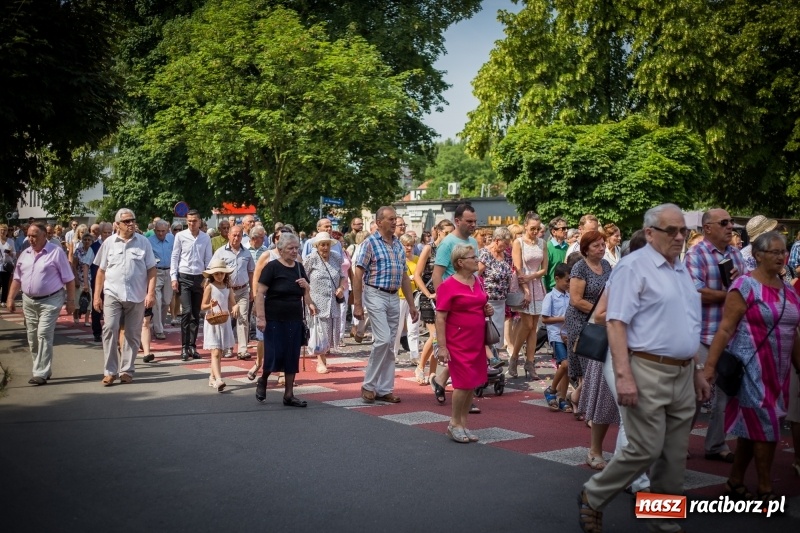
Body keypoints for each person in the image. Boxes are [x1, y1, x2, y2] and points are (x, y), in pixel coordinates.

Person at [578, 204, 710, 533]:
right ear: (650, 233)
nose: (680, 237)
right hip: (646, 367)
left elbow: (687, 322)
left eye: (683, 231)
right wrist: (623, 375)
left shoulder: (679, 268)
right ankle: (594, 495)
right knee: (645, 447)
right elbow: (615, 322)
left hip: (682, 371)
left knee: (674, 455)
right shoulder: (633, 267)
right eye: (672, 231)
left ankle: (663, 521)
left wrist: (696, 369)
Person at [702, 231, 800, 500]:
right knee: (766, 424)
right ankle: (766, 487)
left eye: (784, 251)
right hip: (751, 367)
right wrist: (709, 369)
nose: (782, 257)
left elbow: (794, 332)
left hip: (779, 372)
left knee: (752, 426)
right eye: (775, 252)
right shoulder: (744, 286)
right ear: (758, 255)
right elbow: (725, 329)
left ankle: (735, 481)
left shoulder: (789, 289)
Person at [684, 208, 747, 464]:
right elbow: (695, 292)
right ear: (707, 227)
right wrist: (732, 295)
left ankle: (716, 445)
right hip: (702, 335)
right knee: (694, 395)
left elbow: (746, 289)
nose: (730, 226)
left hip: (730, 336)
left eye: (731, 222)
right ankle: (678, 442)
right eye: (724, 222)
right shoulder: (695, 254)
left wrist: (739, 283)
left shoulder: (736, 255)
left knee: (724, 396)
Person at [353, 206, 418, 404]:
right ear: (379, 222)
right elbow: (358, 274)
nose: (394, 222)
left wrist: (411, 304)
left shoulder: (398, 244)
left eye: (395, 219)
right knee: (382, 339)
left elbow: (404, 277)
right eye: (390, 219)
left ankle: (384, 389)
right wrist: (357, 304)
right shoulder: (370, 243)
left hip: (393, 296)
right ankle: (369, 385)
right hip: (375, 293)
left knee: (391, 344)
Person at [5, 222, 76, 385]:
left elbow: (69, 279)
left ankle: (40, 372)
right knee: (32, 335)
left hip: (51, 299)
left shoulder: (56, 252)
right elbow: (17, 278)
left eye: (34, 236)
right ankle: (43, 368)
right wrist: (10, 298)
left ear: (45, 236)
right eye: (29, 235)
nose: (30, 239)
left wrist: (71, 301)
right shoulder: (25, 253)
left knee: (43, 333)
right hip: (28, 300)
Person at [436, 244, 494, 443]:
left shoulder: (476, 280)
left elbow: (481, 303)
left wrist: (487, 310)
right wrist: (442, 347)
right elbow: (440, 317)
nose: (477, 259)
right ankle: (454, 424)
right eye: (472, 257)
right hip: (458, 341)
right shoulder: (447, 286)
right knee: (462, 384)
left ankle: (463, 423)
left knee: (471, 383)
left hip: (476, 340)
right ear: (460, 262)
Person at [93, 209, 157, 386]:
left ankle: (127, 371)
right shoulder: (109, 243)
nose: (131, 224)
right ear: (117, 225)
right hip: (112, 294)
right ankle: (110, 371)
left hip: (136, 296)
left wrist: (150, 293)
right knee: (110, 328)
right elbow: (101, 271)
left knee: (132, 334)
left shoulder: (143, 242)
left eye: (132, 220)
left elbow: (152, 269)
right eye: (126, 221)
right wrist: (97, 296)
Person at [255, 232, 316, 407]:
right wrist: (261, 318)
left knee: (291, 355)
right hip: (274, 318)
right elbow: (260, 293)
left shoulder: (298, 267)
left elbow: (305, 293)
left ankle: (289, 394)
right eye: (291, 248)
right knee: (275, 354)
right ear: (280, 249)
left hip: (294, 318)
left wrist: (307, 291)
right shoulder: (272, 267)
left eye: (296, 248)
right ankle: (264, 379)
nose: (294, 251)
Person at [430, 204, 479, 406]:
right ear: (458, 221)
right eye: (469, 221)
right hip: (454, 304)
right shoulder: (448, 243)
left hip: (471, 303)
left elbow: (474, 274)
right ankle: (465, 394)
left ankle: (440, 381)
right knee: (461, 352)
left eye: (474, 221)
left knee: (468, 351)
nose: (473, 225)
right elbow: (437, 275)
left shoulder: (474, 242)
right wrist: (444, 303)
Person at [564, 230, 612, 421]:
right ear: (585, 249)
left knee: (598, 365)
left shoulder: (607, 265)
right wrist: (598, 312)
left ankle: (576, 397)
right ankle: (592, 414)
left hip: (600, 321)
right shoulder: (579, 268)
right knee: (590, 366)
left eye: (603, 244)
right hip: (581, 322)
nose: (601, 248)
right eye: (596, 246)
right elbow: (576, 300)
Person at [412, 219, 454, 385]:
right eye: (446, 233)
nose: (449, 236)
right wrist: (428, 294)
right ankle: (421, 367)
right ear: (438, 231)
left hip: (446, 296)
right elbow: (417, 274)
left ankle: (432, 373)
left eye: (452, 233)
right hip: (429, 297)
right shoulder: (430, 248)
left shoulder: (452, 250)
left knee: (441, 337)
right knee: (435, 335)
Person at [508, 212, 547, 379]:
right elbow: (518, 268)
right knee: (527, 324)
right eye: (532, 228)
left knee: (534, 326)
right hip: (522, 283)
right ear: (525, 226)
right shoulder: (519, 243)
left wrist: (533, 277)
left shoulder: (542, 243)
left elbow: (544, 268)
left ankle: (530, 363)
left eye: (538, 228)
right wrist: (525, 289)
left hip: (537, 283)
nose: (535, 231)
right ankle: (514, 357)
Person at [171, 209, 212, 361]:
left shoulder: (205, 237)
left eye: (194, 221)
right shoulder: (181, 236)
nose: (191, 224)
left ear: (199, 221)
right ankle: (184, 347)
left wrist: (207, 278)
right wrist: (173, 277)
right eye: (189, 221)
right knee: (186, 311)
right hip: (184, 276)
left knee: (196, 313)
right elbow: (175, 256)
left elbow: (208, 259)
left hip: (199, 277)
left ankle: (192, 346)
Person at [211, 224, 254, 360]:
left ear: (242, 237)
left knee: (242, 318)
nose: (236, 238)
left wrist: (253, 290)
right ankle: (227, 347)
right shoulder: (220, 252)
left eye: (239, 235)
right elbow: (212, 270)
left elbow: (251, 272)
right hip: (226, 291)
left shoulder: (246, 253)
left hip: (242, 290)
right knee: (227, 319)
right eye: (234, 235)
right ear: (228, 235)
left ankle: (242, 349)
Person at [304, 231, 344, 374]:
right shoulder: (311, 259)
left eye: (327, 244)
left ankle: (324, 356)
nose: (325, 247)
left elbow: (342, 276)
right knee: (320, 332)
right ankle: (321, 361)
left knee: (330, 331)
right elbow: (303, 278)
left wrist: (341, 287)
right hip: (316, 300)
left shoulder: (337, 257)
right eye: (322, 245)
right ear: (317, 246)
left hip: (332, 301)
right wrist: (307, 299)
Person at [201, 258, 238, 392]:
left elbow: (233, 302)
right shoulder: (210, 287)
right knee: (215, 351)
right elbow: (203, 305)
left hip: (224, 320)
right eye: (216, 273)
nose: (219, 276)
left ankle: (212, 376)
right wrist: (211, 304)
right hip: (212, 321)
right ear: (212, 275)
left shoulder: (228, 288)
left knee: (220, 351)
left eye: (222, 273)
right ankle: (218, 379)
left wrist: (235, 307)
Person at [477, 226, 514, 361]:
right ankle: (488, 361)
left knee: (497, 335)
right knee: (487, 334)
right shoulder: (485, 254)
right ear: (497, 240)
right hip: (488, 301)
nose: (507, 246)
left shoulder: (507, 257)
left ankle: (494, 361)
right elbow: (476, 276)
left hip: (502, 301)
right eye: (505, 243)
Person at [541, 263, 571, 412]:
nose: (569, 284)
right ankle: (552, 389)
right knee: (565, 364)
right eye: (566, 280)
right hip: (556, 336)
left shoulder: (570, 295)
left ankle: (563, 398)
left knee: (567, 368)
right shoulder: (550, 296)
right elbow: (545, 319)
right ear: (557, 279)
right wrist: (563, 318)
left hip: (569, 335)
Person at [393, 233, 420, 365]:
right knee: (397, 327)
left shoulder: (417, 259)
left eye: (411, 245)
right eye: (406, 245)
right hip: (399, 295)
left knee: (413, 327)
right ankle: (393, 354)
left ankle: (414, 355)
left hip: (414, 294)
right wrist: (408, 278)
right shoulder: (397, 259)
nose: (408, 248)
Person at [147, 220, 174, 340]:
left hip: (169, 272)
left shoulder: (172, 239)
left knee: (166, 301)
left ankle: (160, 325)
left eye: (163, 231)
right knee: (156, 302)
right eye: (158, 231)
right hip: (155, 272)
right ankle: (158, 329)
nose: (161, 233)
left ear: (167, 230)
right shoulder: (149, 241)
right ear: (154, 230)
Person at [89, 223, 112, 342]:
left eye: (109, 232)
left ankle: (109, 331)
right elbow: (87, 264)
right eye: (105, 233)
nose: (107, 235)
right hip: (97, 281)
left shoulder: (115, 244)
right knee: (97, 305)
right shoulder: (93, 247)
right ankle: (97, 332)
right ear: (100, 233)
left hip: (111, 281)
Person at [72, 232, 95, 327]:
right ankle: (76, 315)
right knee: (78, 300)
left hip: (89, 279)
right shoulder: (78, 251)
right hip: (79, 277)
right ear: (82, 241)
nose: (87, 241)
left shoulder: (93, 251)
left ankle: (86, 320)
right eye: (85, 239)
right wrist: (76, 279)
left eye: (89, 240)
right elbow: (74, 266)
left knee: (89, 300)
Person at [544, 217, 569, 291]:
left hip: (566, 291)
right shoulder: (547, 247)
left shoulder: (568, 247)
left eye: (567, 228)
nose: (566, 231)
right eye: (563, 229)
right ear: (554, 232)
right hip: (551, 290)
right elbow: (543, 274)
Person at [0, 224, 17, 307]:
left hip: (7, 265)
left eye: (5, 230)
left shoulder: (10, 241)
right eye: (1, 230)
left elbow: (14, 254)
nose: (3, 232)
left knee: (5, 284)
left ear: (7, 231)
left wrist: (10, 253)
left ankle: (3, 301)